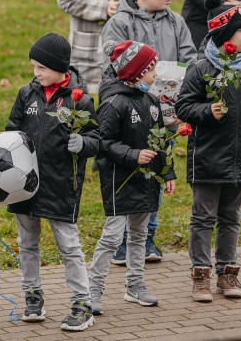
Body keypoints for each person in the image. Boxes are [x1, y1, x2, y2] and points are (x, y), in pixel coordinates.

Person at [101, 0, 196, 264]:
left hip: (164, 116)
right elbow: (111, 66)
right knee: (128, 175)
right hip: (128, 117)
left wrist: (182, 98)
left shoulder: (176, 22)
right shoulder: (120, 22)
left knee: (155, 172)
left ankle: (147, 238)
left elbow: (190, 62)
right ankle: (121, 242)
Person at [175, 0, 241, 302]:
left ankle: (227, 273)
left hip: (240, 159)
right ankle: (200, 275)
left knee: (231, 216)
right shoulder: (201, 69)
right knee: (204, 217)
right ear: (224, 35)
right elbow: (183, 106)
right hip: (207, 159)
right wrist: (206, 112)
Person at [5, 33, 100, 331]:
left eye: (42, 68)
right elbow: (12, 132)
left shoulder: (80, 99)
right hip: (25, 184)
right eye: (34, 67)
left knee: (69, 246)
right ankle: (33, 296)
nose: (37, 73)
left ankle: (83, 303)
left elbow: (97, 139)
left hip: (61, 185)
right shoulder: (26, 94)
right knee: (27, 243)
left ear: (61, 68)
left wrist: (82, 143)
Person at [88, 40, 176, 316]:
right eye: (151, 69)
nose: (156, 75)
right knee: (113, 238)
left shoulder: (151, 100)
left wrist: (167, 172)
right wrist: (132, 155)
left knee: (139, 234)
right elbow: (102, 143)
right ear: (136, 72)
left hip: (146, 181)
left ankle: (135, 285)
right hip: (119, 181)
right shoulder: (113, 104)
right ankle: (93, 291)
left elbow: (160, 139)